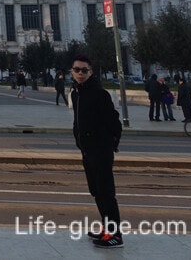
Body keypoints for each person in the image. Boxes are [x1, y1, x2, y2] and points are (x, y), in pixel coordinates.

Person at [70, 55, 124, 248]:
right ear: (72, 71)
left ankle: (115, 235)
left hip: (100, 150)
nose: (80, 73)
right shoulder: (76, 93)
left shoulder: (99, 94)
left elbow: (114, 122)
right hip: (86, 150)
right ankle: (106, 228)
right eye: (77, 70)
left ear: (90, 72)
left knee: (106, 193)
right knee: (97, 192)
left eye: (84, 70)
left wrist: (110, 144)